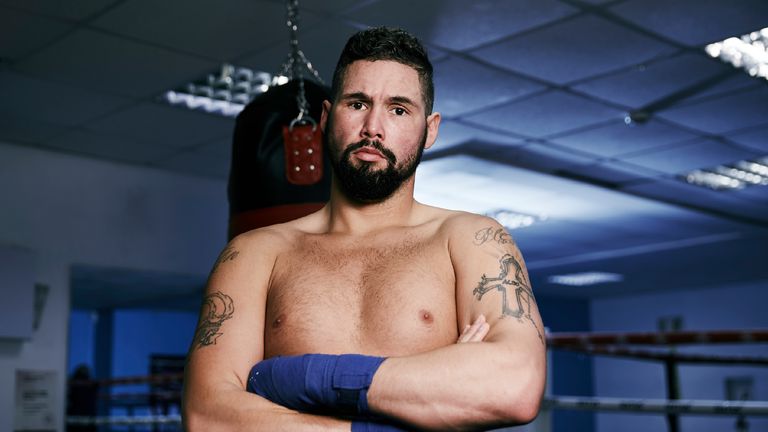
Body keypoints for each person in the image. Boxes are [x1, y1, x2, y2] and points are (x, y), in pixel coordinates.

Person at [182, 26, 546, 431]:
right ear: (324, 117)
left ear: (431, 129)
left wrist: (295, 381)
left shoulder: (472, 240)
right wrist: (431, 388)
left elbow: (515, 385)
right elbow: (208, 416)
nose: (373, 126)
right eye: (357, 103)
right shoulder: (255, 254)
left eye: (399, 109)